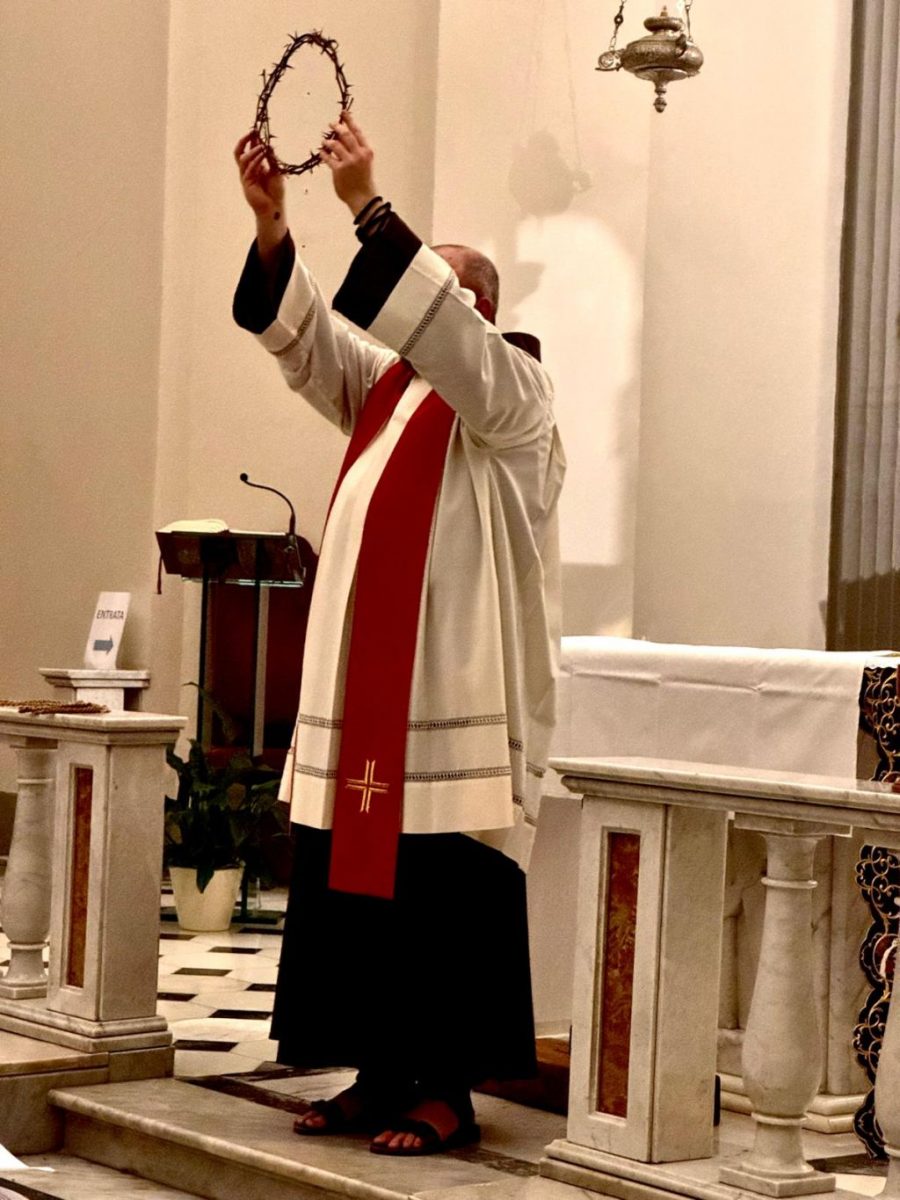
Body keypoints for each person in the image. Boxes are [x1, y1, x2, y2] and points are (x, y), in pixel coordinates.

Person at [232, 112, 565, 1156]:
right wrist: (274, 225)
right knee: (353, 889)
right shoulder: (388, 396)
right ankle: (377, 1075)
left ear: (472, 311)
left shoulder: (513, 398)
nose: (405, 324)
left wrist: (369, 207)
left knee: (444, 896)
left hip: (450, 703)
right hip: (366, 702)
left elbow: (448, 341)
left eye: (428, 293)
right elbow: (305, 344)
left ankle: (446, 1093)